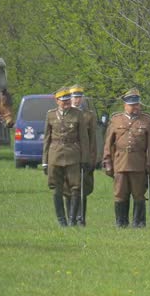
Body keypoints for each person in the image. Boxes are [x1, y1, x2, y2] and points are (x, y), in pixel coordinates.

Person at [103, 88, 150, 228]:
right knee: (120, 193)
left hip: (139, 163)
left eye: (137, 104)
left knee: (139, 194)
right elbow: (108, 144)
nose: (135, 108)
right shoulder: (116, 120)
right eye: (132, 105)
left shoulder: (147, 121)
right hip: (120, 162)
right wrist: (107, 162)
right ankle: (121, 222)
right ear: (125, 105)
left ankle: (139, 222)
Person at [42, 87, 89, 227]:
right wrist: (45, 161)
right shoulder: (50, 115)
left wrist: (84, 159)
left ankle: (72, 219)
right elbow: (46, 139)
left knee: (75, 188)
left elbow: (84, 138)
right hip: (55, 156)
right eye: (63, 101)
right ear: (57, 101)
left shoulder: (77, 114)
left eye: (68, 100)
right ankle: (61, 220)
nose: (67, 103)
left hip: (73, 155)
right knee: (56, 188)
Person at [59, 84, 97, 227]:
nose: (77, 100)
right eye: (75, 97)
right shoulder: (64, 113)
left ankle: (81, 218)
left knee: (82, 187)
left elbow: (92, 138)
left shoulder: (88, 115)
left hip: (83, 156)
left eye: (79, 97)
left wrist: (92, 158)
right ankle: (70, 217)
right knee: (67, 187)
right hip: (67, 156)